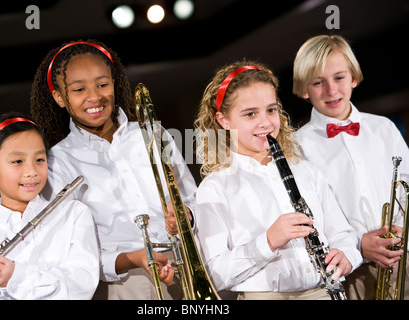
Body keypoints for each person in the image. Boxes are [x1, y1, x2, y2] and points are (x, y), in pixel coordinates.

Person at [30, 39, 197, 300]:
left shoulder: (153, 133)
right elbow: (70, 251)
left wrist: (187, 216)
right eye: (78, 89)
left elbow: (192, 198)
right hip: (127, 284)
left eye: (102, 84)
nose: (94, 96)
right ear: (60, 98)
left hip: (186, 265)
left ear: (114, 85)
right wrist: (132, 259)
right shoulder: (57, 163)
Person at [193, 59, 362, 300]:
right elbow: (215, 274)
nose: (266, 123)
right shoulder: (215, 188)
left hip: (324, 290)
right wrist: (268, 241)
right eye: (250, 114)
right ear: (224, 120)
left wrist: (347, 255)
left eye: (271, 110)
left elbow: (343, 234)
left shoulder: (305, 171)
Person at [293, 35, 409, 299]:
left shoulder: (383, 128)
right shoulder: (297, 147)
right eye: (318, 83)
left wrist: (402, 230)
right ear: (304, 89)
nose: (331, 91)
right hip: (349, 271)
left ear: (354, 78)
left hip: (403, 259)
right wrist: (358, 243)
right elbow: (310, 215)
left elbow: (406, 188)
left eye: (339, 78)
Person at [0, 113, 99, 300]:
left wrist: (17, 278)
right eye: (17, 161)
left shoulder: (73, 214)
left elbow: (82, 286)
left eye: (39, 160)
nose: (32, 171)